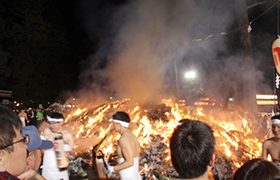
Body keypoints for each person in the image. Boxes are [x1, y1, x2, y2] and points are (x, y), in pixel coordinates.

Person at [103, 111, 142, 180]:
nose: (113, 126)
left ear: (119, 124)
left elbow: (130, 162)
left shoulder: (124, 139)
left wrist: (112, 169)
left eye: (114, 124)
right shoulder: (132, 136)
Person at [41, 112, 74, 180]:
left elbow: (72, 153)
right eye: (50, 123)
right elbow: (41, 150)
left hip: (60, 171)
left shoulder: (67, 135)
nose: (52, 126)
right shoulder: (47, 131)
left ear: (61, 122)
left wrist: (65, 148)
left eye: (54, 123)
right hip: (47, 170)